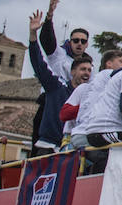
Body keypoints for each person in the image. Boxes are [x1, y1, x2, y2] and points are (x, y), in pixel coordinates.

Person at [27, 10, 93, 156]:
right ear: (72, 72)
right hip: (48, 148)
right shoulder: (56, 87)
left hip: (74, 151)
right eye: (83, 69)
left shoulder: (89, 95)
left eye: (89, 70)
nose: (87, 73)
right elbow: (38, 62)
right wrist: (33, 35)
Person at [37, 0, 89, 85]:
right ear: (70, 42)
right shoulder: (58, 54)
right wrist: (49, 15)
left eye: (83, 41)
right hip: (52, 97)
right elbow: (47, 39)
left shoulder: (88, 66)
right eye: (76, 40)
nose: (79, 43)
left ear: (87, 44)